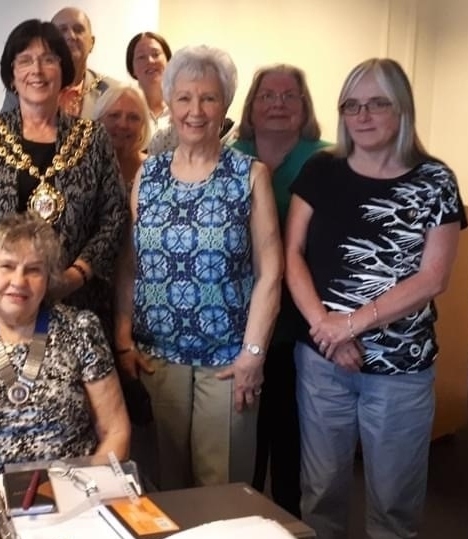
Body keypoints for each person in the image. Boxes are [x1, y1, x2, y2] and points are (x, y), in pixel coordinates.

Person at [284, 58, 466, 539]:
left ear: (401, 108)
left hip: (400, 371)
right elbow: (292, 253)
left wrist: (350, 324)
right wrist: (328, 329)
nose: (362, 116)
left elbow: (433, 278)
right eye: (351, 105)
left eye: (377, 104)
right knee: (320, 495)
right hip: (323, 360)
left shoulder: (435, 181)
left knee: (393, 506)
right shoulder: (321, 169)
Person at [114, 45, 283, 490]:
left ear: (225, 105)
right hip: (155, 359)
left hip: (227, 361)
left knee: (221, 488)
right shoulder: (147, 176)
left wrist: (253, 355)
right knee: (161, 487)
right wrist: (123, 335)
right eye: (185, 98)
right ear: (169, 104)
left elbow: (270, 274)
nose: (196, 110)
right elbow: (131, 264)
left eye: (208, 98)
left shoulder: (250, 175)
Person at [0, 19, 127, 325]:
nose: (37, 71)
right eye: (25, 60)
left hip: (74, 304)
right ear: (12, 75)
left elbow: (114, 217)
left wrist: (76, 274)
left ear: (64, 71)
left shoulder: (93, 138)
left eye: (48, 60)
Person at [0, 213, 130, 477]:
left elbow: (116, 432)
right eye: (7, 266)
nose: (19, 281)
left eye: (33, 270)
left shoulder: (81, 330)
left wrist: (86, 491)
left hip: (71, 497)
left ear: (49, 279)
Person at [230, 64, 330, 517]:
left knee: (291, 437)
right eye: (267, 95)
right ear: (251, 106)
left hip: (302, 321)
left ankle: (289, 520)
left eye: (290, 96)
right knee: (242, 439)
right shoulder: (232, 155)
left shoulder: (328, 160)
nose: (277, 104)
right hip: (240, 321)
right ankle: (241, 519)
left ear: (305, 108)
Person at [1, 7, 117, 118]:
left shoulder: (112, 91)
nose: (71, 36)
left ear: (92, 43)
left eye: (78, 30)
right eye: (62, 30)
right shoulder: (24, 87)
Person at [91, 83, 151, 187]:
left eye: (133, 118)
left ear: (143, 126)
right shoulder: (83, 166)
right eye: (114, 115)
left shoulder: (155, 170)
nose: (123, 125)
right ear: (98, 121)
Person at [125, 32, 172, 134]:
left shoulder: (183, 108)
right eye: (141, 57)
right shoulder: (125, 112)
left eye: (156, 54)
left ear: (168, 60)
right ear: (132, 68)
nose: (150, 61)